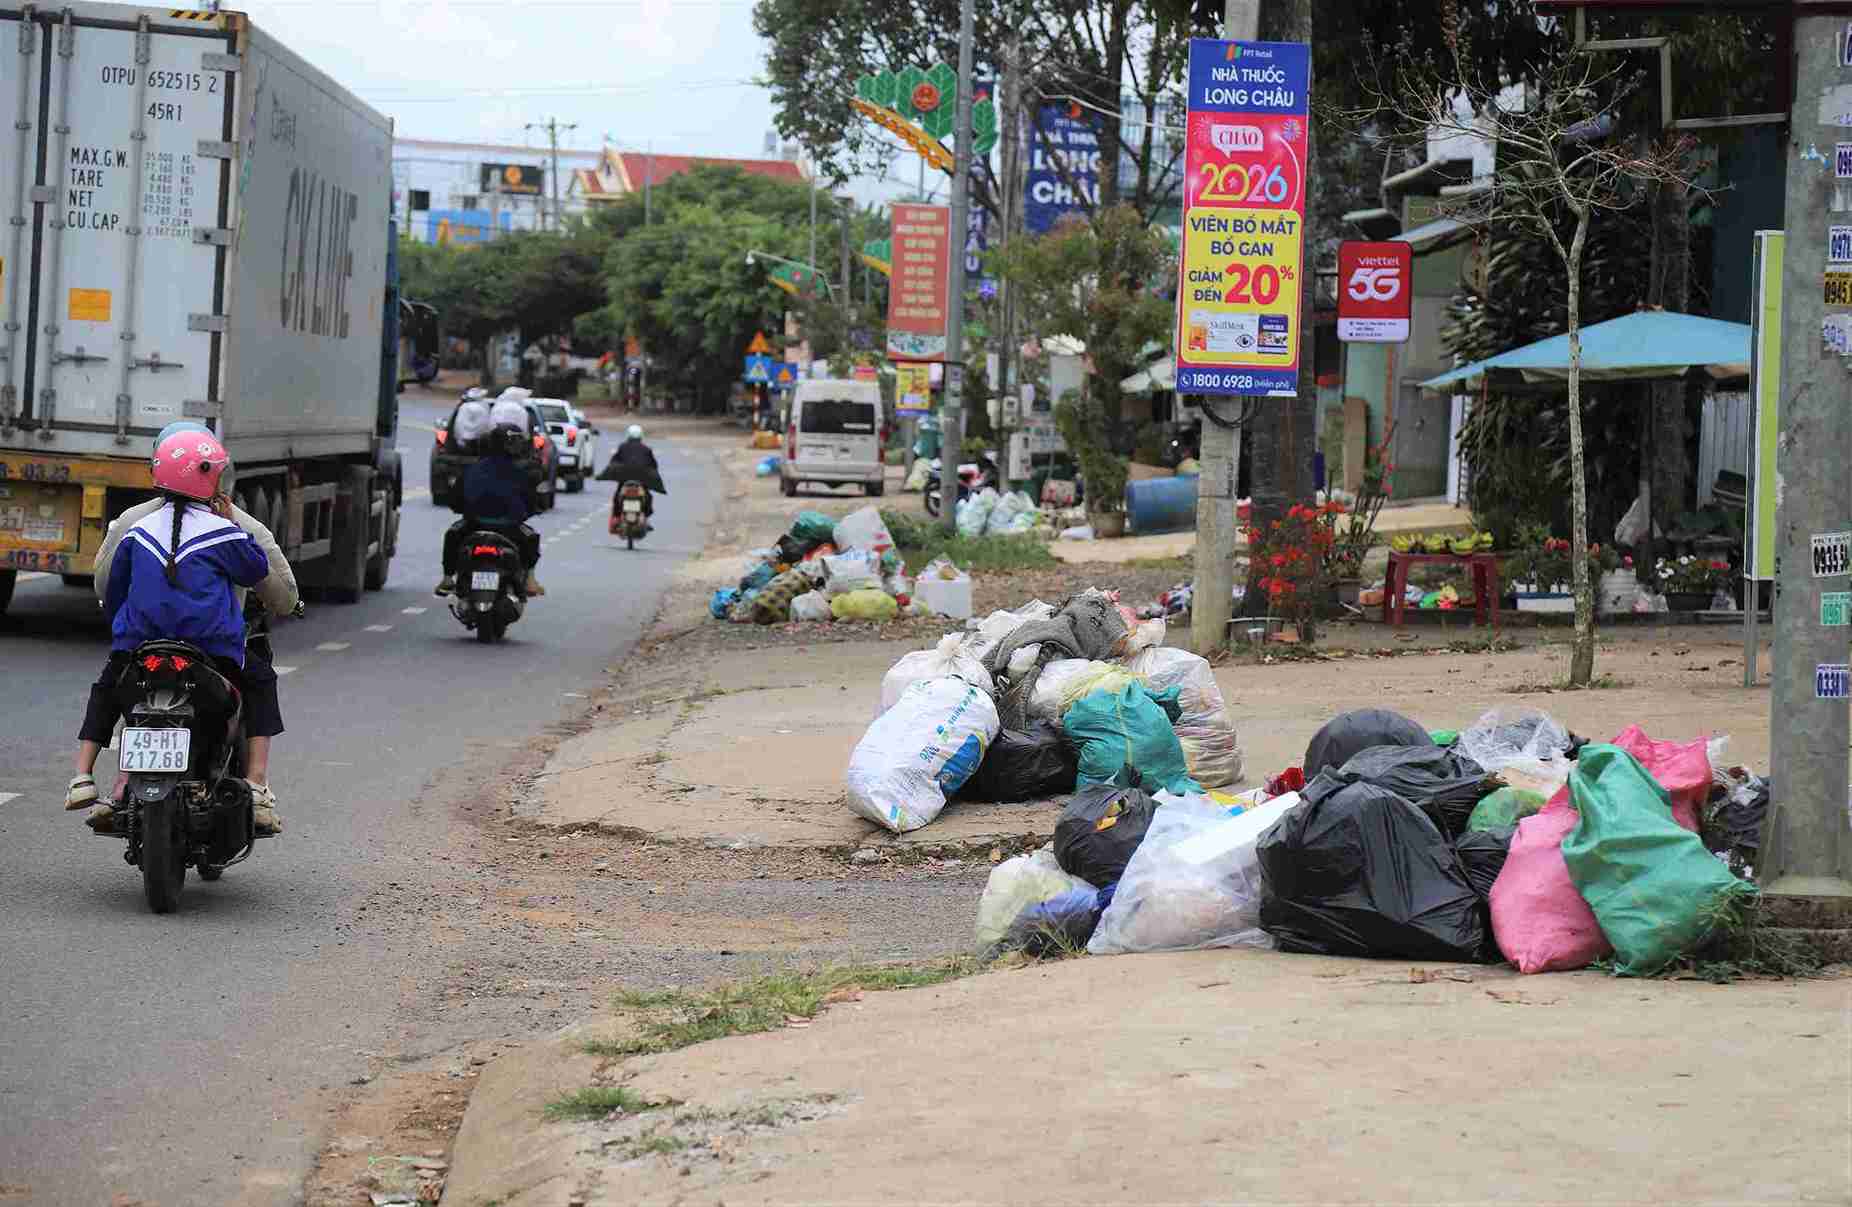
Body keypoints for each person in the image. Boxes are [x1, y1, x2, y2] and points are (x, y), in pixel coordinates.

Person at [85, 423, 300, 830]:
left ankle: (117, 782)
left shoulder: (132, 523)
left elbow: (104, 583)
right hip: (213, 649)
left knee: (118, 688)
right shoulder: (238, 525)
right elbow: (282, 595)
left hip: (142, 644)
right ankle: (256, 785)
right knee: (258, 680)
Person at [436, 424, 544, 597]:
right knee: (531, 537)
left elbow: (455, 500)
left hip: (473, 526)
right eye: (513, 442)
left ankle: (448, 579)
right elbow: (531, 503)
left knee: (452, 534)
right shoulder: (522, 471)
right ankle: (530, 580)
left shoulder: (472, 469)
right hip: (509, 529)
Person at [604, 424, 662, 522]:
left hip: (625, 478)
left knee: (618, 494)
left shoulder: (622, 447)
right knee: (648, 495)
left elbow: (614, 462)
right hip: (641, 479)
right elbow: (654, 465)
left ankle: (617, 517)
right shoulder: (646, 449)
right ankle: (645, 516)